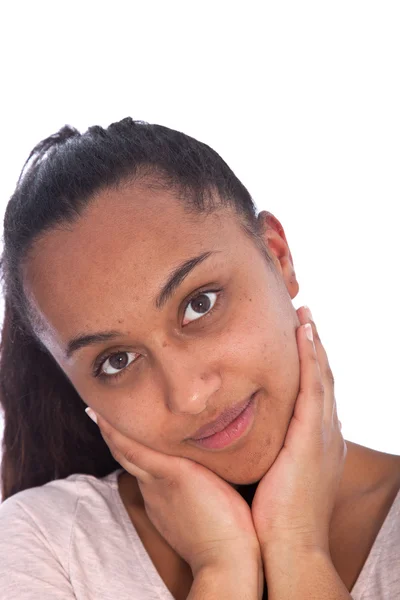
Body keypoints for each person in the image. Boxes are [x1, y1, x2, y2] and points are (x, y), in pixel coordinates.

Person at [0, 118, 398, 600]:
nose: (189, 395)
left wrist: (297, 547)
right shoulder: (42, 545)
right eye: (117, 361)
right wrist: (220, 567)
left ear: (277, 256)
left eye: (199, 304)